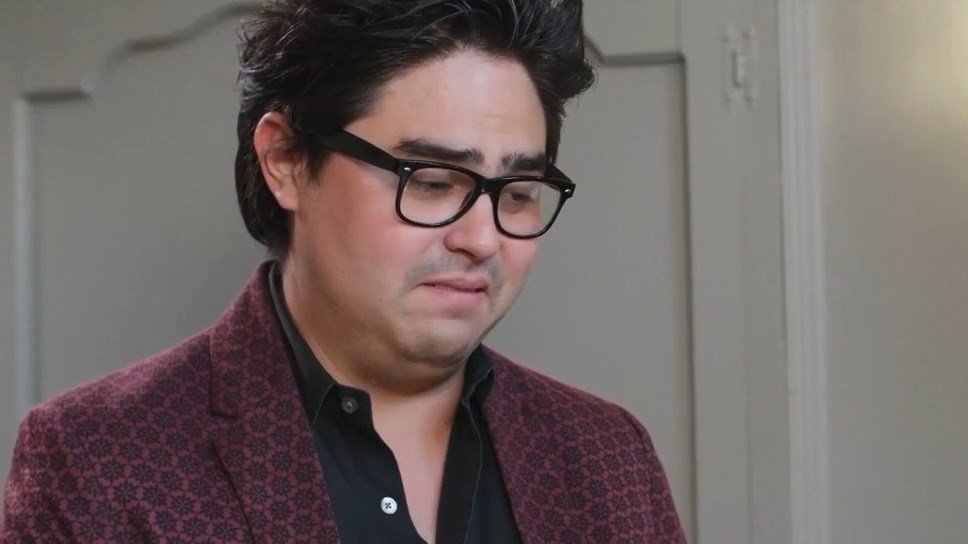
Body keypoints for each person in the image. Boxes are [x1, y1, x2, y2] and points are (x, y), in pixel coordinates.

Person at [1, 1, 685, 542]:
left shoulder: (608, 457)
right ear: (286, 160)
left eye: (518, 193)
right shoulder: (97, 458)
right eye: (431, 182)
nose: (482, 239)